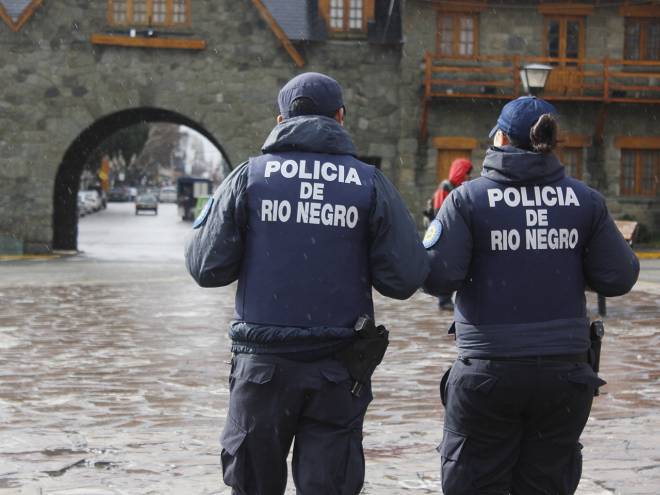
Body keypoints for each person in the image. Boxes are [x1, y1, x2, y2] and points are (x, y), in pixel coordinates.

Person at [185, 72, 429, 495]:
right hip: (338, 371)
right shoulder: (369, 183)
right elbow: (405, 279)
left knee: (254, 485)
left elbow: (206, 266)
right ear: (340, 117)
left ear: (280, 119)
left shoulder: (249, 178)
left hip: (262, 370)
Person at [422, 96, 639, 495]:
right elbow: (619, 277)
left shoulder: (468, 199)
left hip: (489, 374)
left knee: (475, 480)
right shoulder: (584, 200)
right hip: (564, 376)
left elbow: (435, 277)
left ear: (501, 138)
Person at [431, 158, 472, 311]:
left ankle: (447, 300)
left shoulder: (457, 187)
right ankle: (444, 301)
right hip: (444, 233)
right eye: (467, 173)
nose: (469, 176)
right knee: (446, 266)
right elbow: (439, 212)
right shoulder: (445, 187)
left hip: (453, 232)